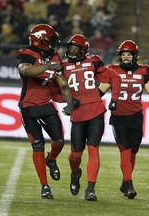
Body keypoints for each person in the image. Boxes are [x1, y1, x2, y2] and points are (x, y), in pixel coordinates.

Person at [16, 24, 74, 199]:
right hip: (28, 106)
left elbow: (62, 82)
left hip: (46, 104)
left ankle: (52, 159)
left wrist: (69, 103)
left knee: (59, 140)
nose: (55, 44)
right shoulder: (26, 53)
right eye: (51, 41)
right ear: (41, 41)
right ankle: (45, 186)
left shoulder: (54, 55)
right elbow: (26, 70)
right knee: (38, 145)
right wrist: (48, 67)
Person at [61, 34, 121, 201]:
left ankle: (91, 188)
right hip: (78, 113)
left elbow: (114, 77)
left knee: (93, 149)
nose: (72, 51)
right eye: (70, 48)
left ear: (83, 50)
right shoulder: (63, 66)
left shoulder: (93, 60)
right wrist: (68, 101)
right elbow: (56, 89)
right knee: (75, 155)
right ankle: (75, 172)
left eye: (75, 48)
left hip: (95, 109)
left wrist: (114, 99)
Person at [101, 40, 149, 199]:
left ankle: (125, 181)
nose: (126, 57)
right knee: (125, 150)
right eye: (124, 54)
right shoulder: (112, 70)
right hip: (119, 117)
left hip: (136, 116)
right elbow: (100, 91)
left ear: (135, 56)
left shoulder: (143, 71)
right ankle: (129, 184)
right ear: (119, 56)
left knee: (133, 152)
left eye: (129, 54)